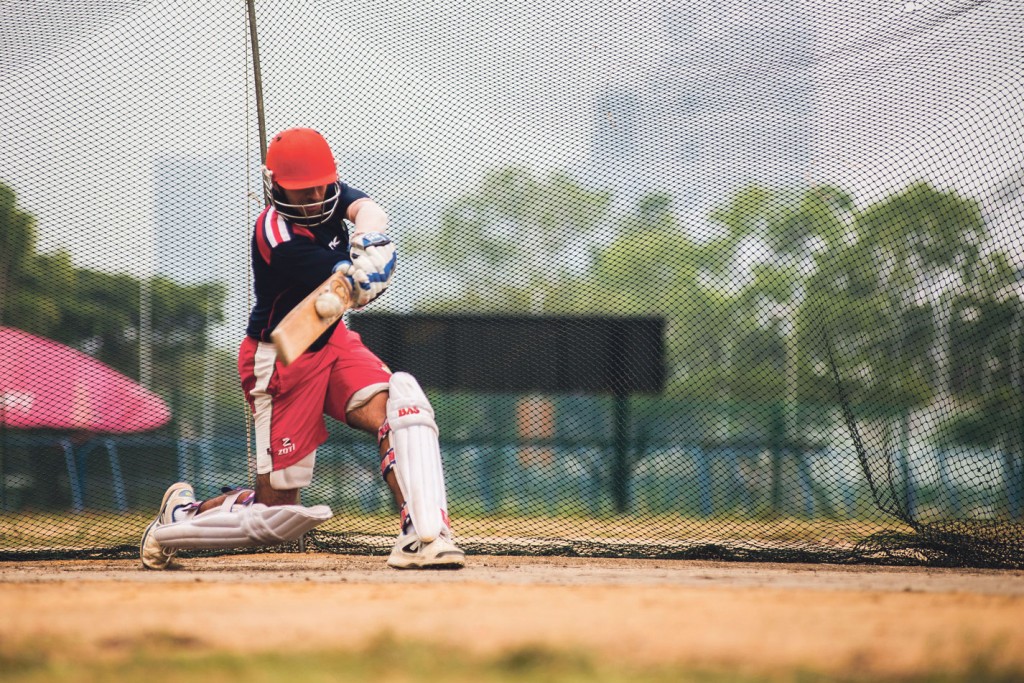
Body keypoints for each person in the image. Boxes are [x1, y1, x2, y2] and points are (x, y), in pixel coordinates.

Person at [140, 127, 464, 570]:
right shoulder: (276, 236)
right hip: (281, 358)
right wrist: (368, 270)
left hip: (333, 339)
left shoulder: (328, 190)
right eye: (302, 192)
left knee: (403, 406)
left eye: (320, 187)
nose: (314, 198)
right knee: (275, 512)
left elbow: (368, 208)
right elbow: (349, 288)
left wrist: (370, 237)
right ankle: (177, 520)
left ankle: (424, 535)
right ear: (275, 187)